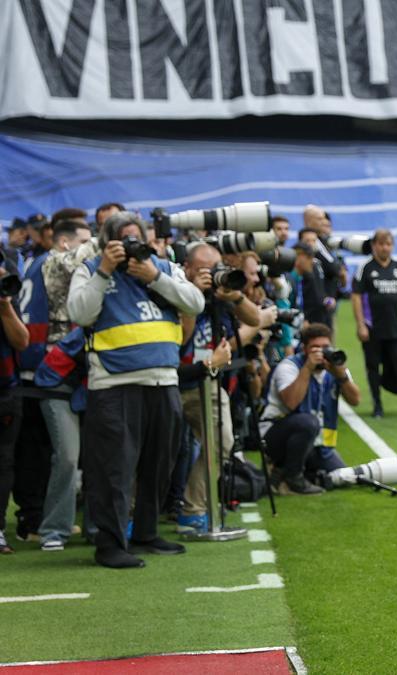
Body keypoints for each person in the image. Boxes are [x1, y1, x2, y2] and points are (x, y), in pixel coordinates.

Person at [68, 211, 205, 568]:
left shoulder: (162, 267)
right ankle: (110, 544)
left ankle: (146, 532)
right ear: (107, 242)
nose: (131, 246)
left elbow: (195, 303)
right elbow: (80, 313)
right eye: (122, 239)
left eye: (136, 238)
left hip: (163, 380)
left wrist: (155, 276)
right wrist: (104, 272)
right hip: (114, 383)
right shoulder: (92, 268)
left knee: (159, 463)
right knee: (113, 469)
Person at [175, 243, 260, 533]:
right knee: (158, 451)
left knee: (222, 443)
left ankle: (193, 507)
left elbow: (255, 320)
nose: (211, 276)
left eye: (215, 270)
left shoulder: (222, 296)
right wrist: (193, 295)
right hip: (173, 381)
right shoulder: (173, 288)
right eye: (203, 271)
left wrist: (234, 296)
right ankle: (138, 512)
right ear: (187, 268)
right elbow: (180, 339)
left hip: (208, 382)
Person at [33, 215, 91, 550]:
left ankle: (99, 527)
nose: (90, 245)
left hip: (94, 371)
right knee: (67, 456)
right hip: (57, 373)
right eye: (85, 240)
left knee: (98, 456)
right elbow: (74, 263)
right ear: (65, 242)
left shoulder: (99, 274)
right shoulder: (52, 262)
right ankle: (54, 529)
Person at [259, 323, 359, 495]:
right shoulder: (288, 367)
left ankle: (285, 474)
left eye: (326, 347)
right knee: (308, 422)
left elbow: (355, 400)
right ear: (304, 349)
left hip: (317, 443)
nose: (321, 353)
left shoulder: (334, 367)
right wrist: (307, 369)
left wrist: (341, 376)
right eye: (315, 348)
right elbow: (291, 402)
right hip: (274, 437)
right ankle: (292, 477)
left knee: (339, 475)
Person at [351, 229, 397, 417]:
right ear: (374, 246)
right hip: (372, 327)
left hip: (394, 327)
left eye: (388, 244)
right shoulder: (365, 267)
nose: (385, 248)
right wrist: (360, 325)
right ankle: (377, 405)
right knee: (373, 366)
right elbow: (356, 297)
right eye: (381, 244)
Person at [0, 263, 31, 554]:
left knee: (4, 462)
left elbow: (22, 340)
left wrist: (5, 304)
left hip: (5, 390)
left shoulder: (6, 295)